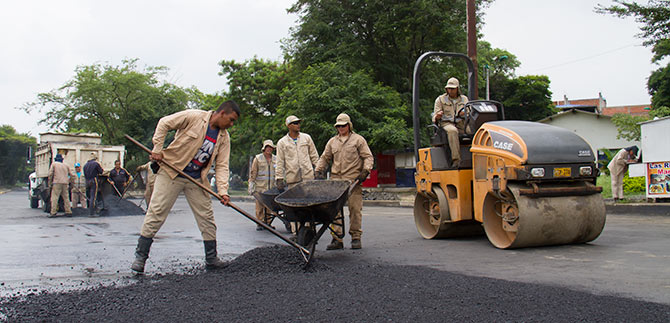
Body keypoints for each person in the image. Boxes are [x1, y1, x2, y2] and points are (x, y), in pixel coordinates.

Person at [131, 100, 240, 274]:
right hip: (171, 172)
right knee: (156, 212)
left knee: (207, 218)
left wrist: (223, 191)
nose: (232, 124)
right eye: (231, 120)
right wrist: (158, 149)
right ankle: (140, 257)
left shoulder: (224, 137)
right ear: (222, 114)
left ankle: (211, 259)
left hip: (196, 178)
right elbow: (164, 123)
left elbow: (222, 165)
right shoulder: (194, 117)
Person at [315, 113, 373, 250]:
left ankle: (356, 237)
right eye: (339, 126)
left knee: (355, 209)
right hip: (336, 181)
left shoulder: (358, 140)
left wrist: (365, 171)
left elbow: (368, 157)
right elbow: (324, 158)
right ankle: (337, 238)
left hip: (353, 181)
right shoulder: (332, 142)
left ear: (349, 126)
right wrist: (319, 170)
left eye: (343, 125)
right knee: (334, 211)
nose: (341, 128)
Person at [275, 115, 320, 237]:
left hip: (307, 178)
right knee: (294, 207)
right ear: (289, 126)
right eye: (295, 123)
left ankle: (308, 231)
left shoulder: (306, 138)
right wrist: (279, 178)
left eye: (298, 123)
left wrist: (318, 169)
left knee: (308, 205)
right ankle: (296, 233)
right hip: (293, 179)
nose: (298, 125)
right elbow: (280, 162)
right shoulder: (282, 143)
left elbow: (314, 155)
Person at [433, 77, 469, 168]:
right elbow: (435, 116)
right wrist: (438, 116)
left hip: (461, 123)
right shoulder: (440, 100)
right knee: (453, 131)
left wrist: (464, 113)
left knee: (474, 131)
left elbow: (469, 112)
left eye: (453, 88)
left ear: (457, 89)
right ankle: (456, 160)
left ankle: (477, 158)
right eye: (449, 88)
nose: (450, 90)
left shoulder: (464, 99)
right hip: (446, 124)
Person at [248, 139, 277, 230]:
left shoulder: (276, 159)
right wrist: (251, 183)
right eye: (267, 147)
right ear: (264, 148)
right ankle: (260, 223)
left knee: (269, 207)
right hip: (260, 187)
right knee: (259, 207)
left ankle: (268, 222)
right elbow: (253, 172)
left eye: (270, 147)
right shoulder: (258, 159)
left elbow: (279, 172)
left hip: (271, 187)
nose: (269, 149)